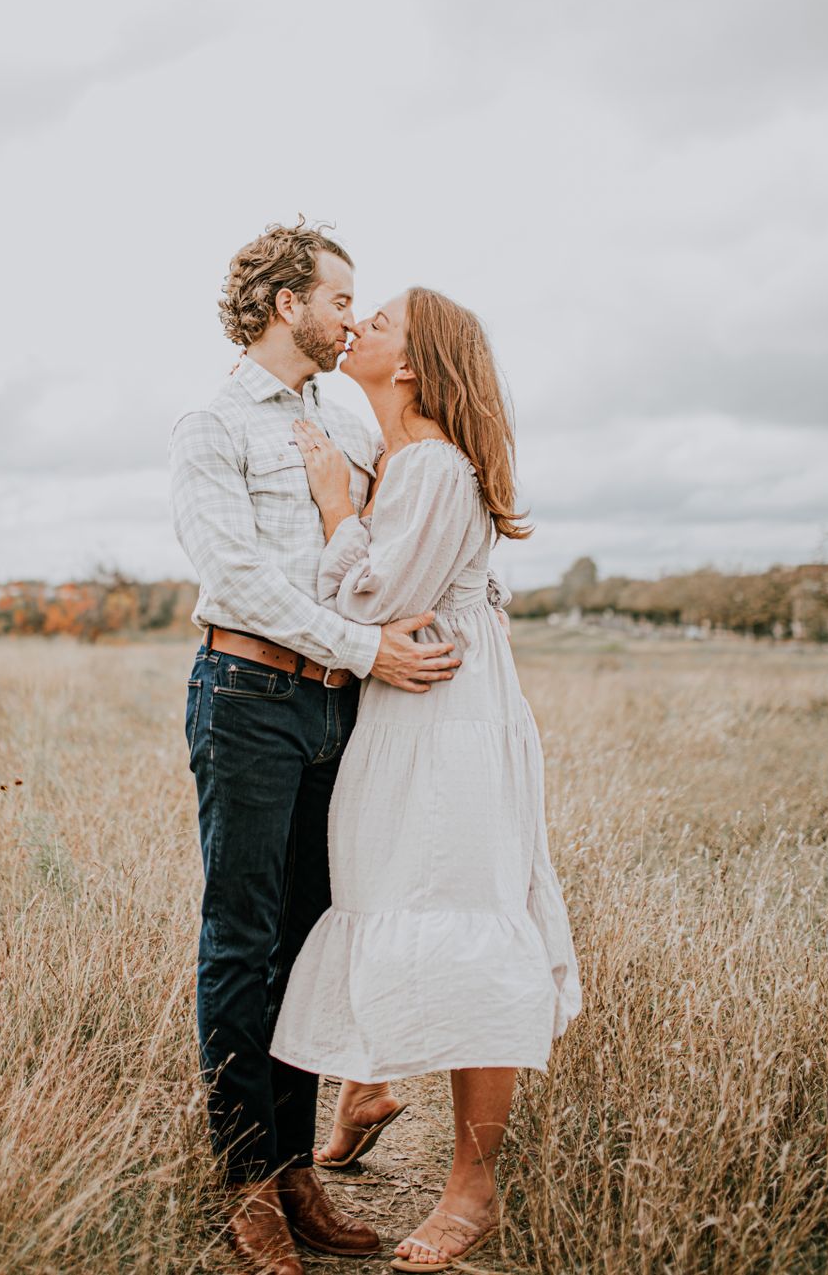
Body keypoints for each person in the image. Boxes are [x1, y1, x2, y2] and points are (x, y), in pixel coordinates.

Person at [170, 223, 486, 1275]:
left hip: (334, 708)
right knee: (242, 938)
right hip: (250, 693)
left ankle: (297, 1166)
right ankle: (245, 1182)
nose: (351, 316)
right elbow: (241, 575)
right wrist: (364, 645)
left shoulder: (343, 416)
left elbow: (380, 534)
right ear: (281, 303)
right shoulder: (213, 426)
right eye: (338, 296)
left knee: (308, 942)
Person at [270, 287, 582, 1271]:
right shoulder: (403, 462)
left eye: (383, 320)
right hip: (405, 717)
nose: (357, 323)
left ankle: (471, 1189)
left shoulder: (436, 466)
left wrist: (333, 510)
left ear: (410, 364)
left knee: (463, 918)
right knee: (391, 901)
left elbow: (371, 595)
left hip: (448, 724)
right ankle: (369, 1080)